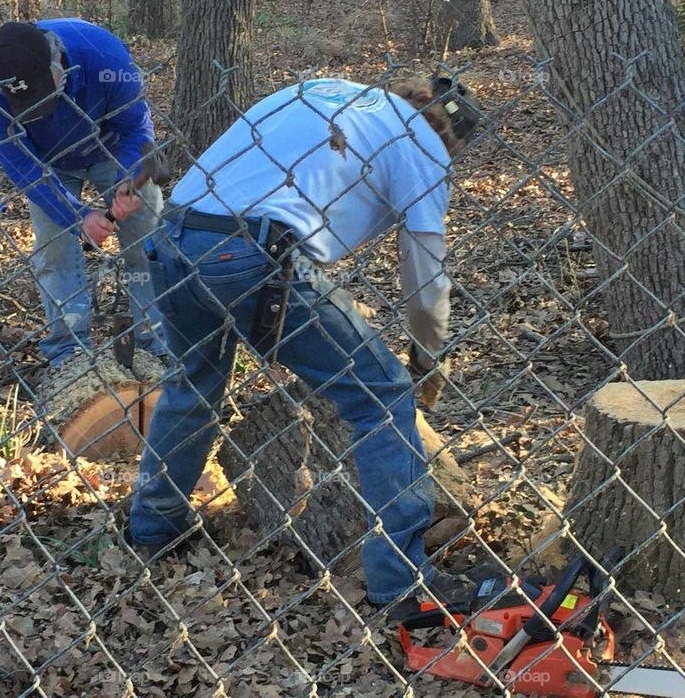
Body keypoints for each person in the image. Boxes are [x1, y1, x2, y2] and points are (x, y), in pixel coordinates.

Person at [127, 76, 481, 611]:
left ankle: (153, 529)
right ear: (453, 141)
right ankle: (402, 584)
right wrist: (427, 355)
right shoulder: (425, 148)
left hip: (175, 237)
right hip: (256, 255)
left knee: (192, 388)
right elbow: (426, 278)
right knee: (384, 399)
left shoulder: (326, 90)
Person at [0, 19, 168, 367]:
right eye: (25, 102)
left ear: (59, 62)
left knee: (146, 241)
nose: (38, 108)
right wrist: (76, 215)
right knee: (55, 251)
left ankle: (155, 343)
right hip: (47, 161)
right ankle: (69, 353)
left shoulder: (106, 58)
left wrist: (127, 180)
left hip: (113, 146)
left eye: (43, 95)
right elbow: (19, 161)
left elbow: (136, 126)